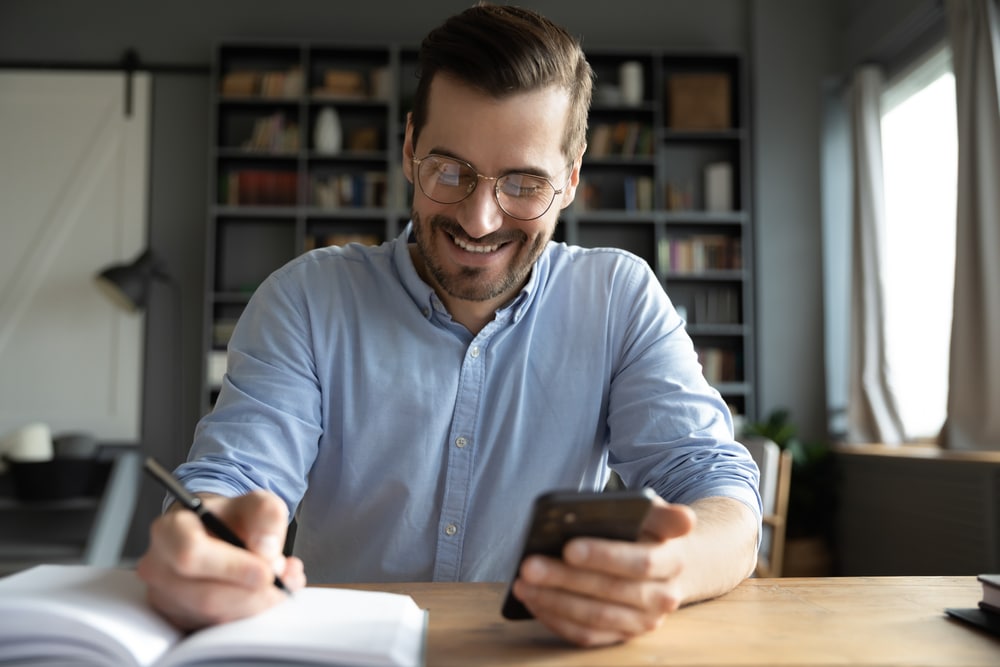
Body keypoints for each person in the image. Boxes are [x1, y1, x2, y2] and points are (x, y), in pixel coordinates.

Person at [138, 1, 761, 648]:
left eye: (523, 183)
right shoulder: (306, 300)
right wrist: (203, 537)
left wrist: (664, 569)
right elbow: (231, 482)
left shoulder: (618, 299)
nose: (480, 219)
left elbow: (721, 491)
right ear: (410, 148)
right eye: (450, 171)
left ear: (571, 178)